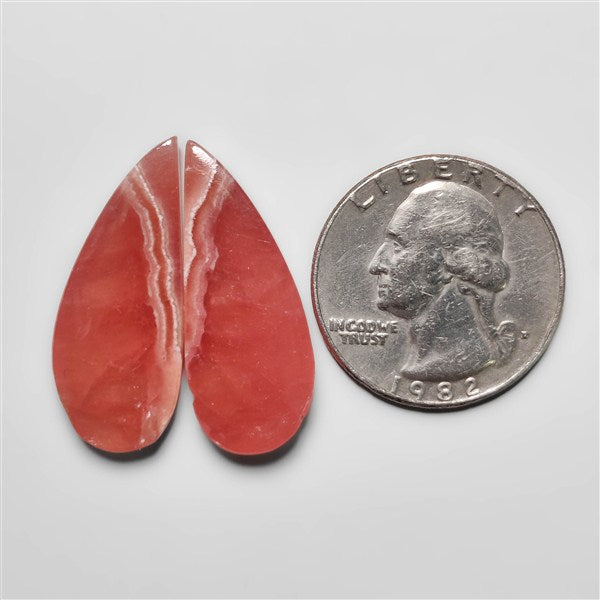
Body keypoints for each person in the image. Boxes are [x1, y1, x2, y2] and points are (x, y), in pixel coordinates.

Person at [368, 180, 516, 381]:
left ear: (449, 260)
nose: (375, 265)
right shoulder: (425, 361)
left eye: (397, 247)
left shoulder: (455, 361)